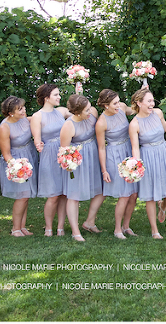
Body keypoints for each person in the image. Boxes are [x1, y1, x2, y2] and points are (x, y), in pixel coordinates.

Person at [129, 88, 166, 238]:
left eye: (152, 100)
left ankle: (163, 206)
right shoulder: (134, 124)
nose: (152, 103)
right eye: (148, 101)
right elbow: (135, 148)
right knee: (151, 196)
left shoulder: (158, 113)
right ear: (138, 103)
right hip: (148, 157)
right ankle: (155, 230)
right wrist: (137, 166)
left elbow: (165, 128)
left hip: (163, 152)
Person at [60, 94, 103, 242]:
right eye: (86, 110)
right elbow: (64, 150)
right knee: (74, 195)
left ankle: (89, 222)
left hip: (93, 155)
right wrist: (70, 164)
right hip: (76, 160)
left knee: (100, 190)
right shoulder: (68, 125)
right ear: (77, 112)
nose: (90, 112)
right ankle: (75, 231)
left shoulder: (93, 115)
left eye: (90, 108)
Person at [96, 89, 138, 239]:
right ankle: (117, 229)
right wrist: (104, 170)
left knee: (133, 194)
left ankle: (126, 226)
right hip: (114, 156)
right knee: (124, 195)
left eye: (118, 101)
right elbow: (101, 148)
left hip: (128, 150)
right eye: (114, 103)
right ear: (106, 105)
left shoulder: (122, 108)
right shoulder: (101, 123)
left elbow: (134, 110)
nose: (118, 105)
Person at [31, 84, 70, 236]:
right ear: (46, 98)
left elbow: (76, 109)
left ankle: (60, 227)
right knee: (53, 195)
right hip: (49, 155)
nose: (59, 97)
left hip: (63, 153)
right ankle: (48, 227)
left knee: (64, 193)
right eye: (56, 95)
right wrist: (38, 144)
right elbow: (37, 139)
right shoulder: (37, 116)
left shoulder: (60, 112)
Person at [0, 96, 38, 237]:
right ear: (10, 113)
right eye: (19, 109)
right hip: (15, 161)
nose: (24, 110)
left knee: (26, 195)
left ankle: (22, 226)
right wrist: (17, 167)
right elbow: (6, 153)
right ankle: (15, 229)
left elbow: (40, 118)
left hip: (29, 154)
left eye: (23, 107)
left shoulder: (24, 119)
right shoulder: (4, 127)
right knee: (22, 195)